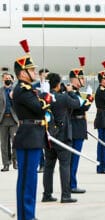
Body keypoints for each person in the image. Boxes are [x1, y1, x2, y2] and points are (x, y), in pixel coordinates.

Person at [13, 39, 51, 220]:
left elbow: (40, 106)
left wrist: (43, 96)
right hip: (28, 137)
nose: (35, 72)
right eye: (32, 69)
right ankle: (25, 216)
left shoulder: (28, 89)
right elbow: (38, 107)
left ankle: (29, 215)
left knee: (31, 181)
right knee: (27, 181)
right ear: (23, 73)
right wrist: (46, 98)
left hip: (34, 136)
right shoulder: (21, 89)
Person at [42, 73, 81, 203]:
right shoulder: (63, 97)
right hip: (63, 137)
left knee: (48, 167)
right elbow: (77, 103)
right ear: (58, 84)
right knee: (64, 166)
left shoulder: (45, 97)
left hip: (49, 137)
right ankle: (65, 195)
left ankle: (47, 194)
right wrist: (70, 92)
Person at [69, 57, 93, 194]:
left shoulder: (76, 92)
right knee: (73, 159)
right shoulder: (71, 92)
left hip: (78, 127)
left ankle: (72, 183)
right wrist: (89, 99)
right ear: (74, 80)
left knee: (74, 159)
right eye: (81, 78)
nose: (83, 81)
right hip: (75, 128)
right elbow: (83, 108)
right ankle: (71, 184)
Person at [0, 72, 18, 171]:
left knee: (15, 141)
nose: (7, 79)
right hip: (3, 120)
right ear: (3, 80)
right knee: (3, 144)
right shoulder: (0, 91)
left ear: (12, 80)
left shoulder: (15, 91)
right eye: (5, 78)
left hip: (14, 119)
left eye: (9, 78)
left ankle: (15, 161)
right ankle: (6, 164)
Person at [36, 68, 50, 173]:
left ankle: (49, 164)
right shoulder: (35, 86)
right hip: (40, 117)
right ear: (40, 75)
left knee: (49, 143)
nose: (46, 77)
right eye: (45, 75)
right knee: (40, 142)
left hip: (49, 117)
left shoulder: (50, 86)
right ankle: (41, 164)